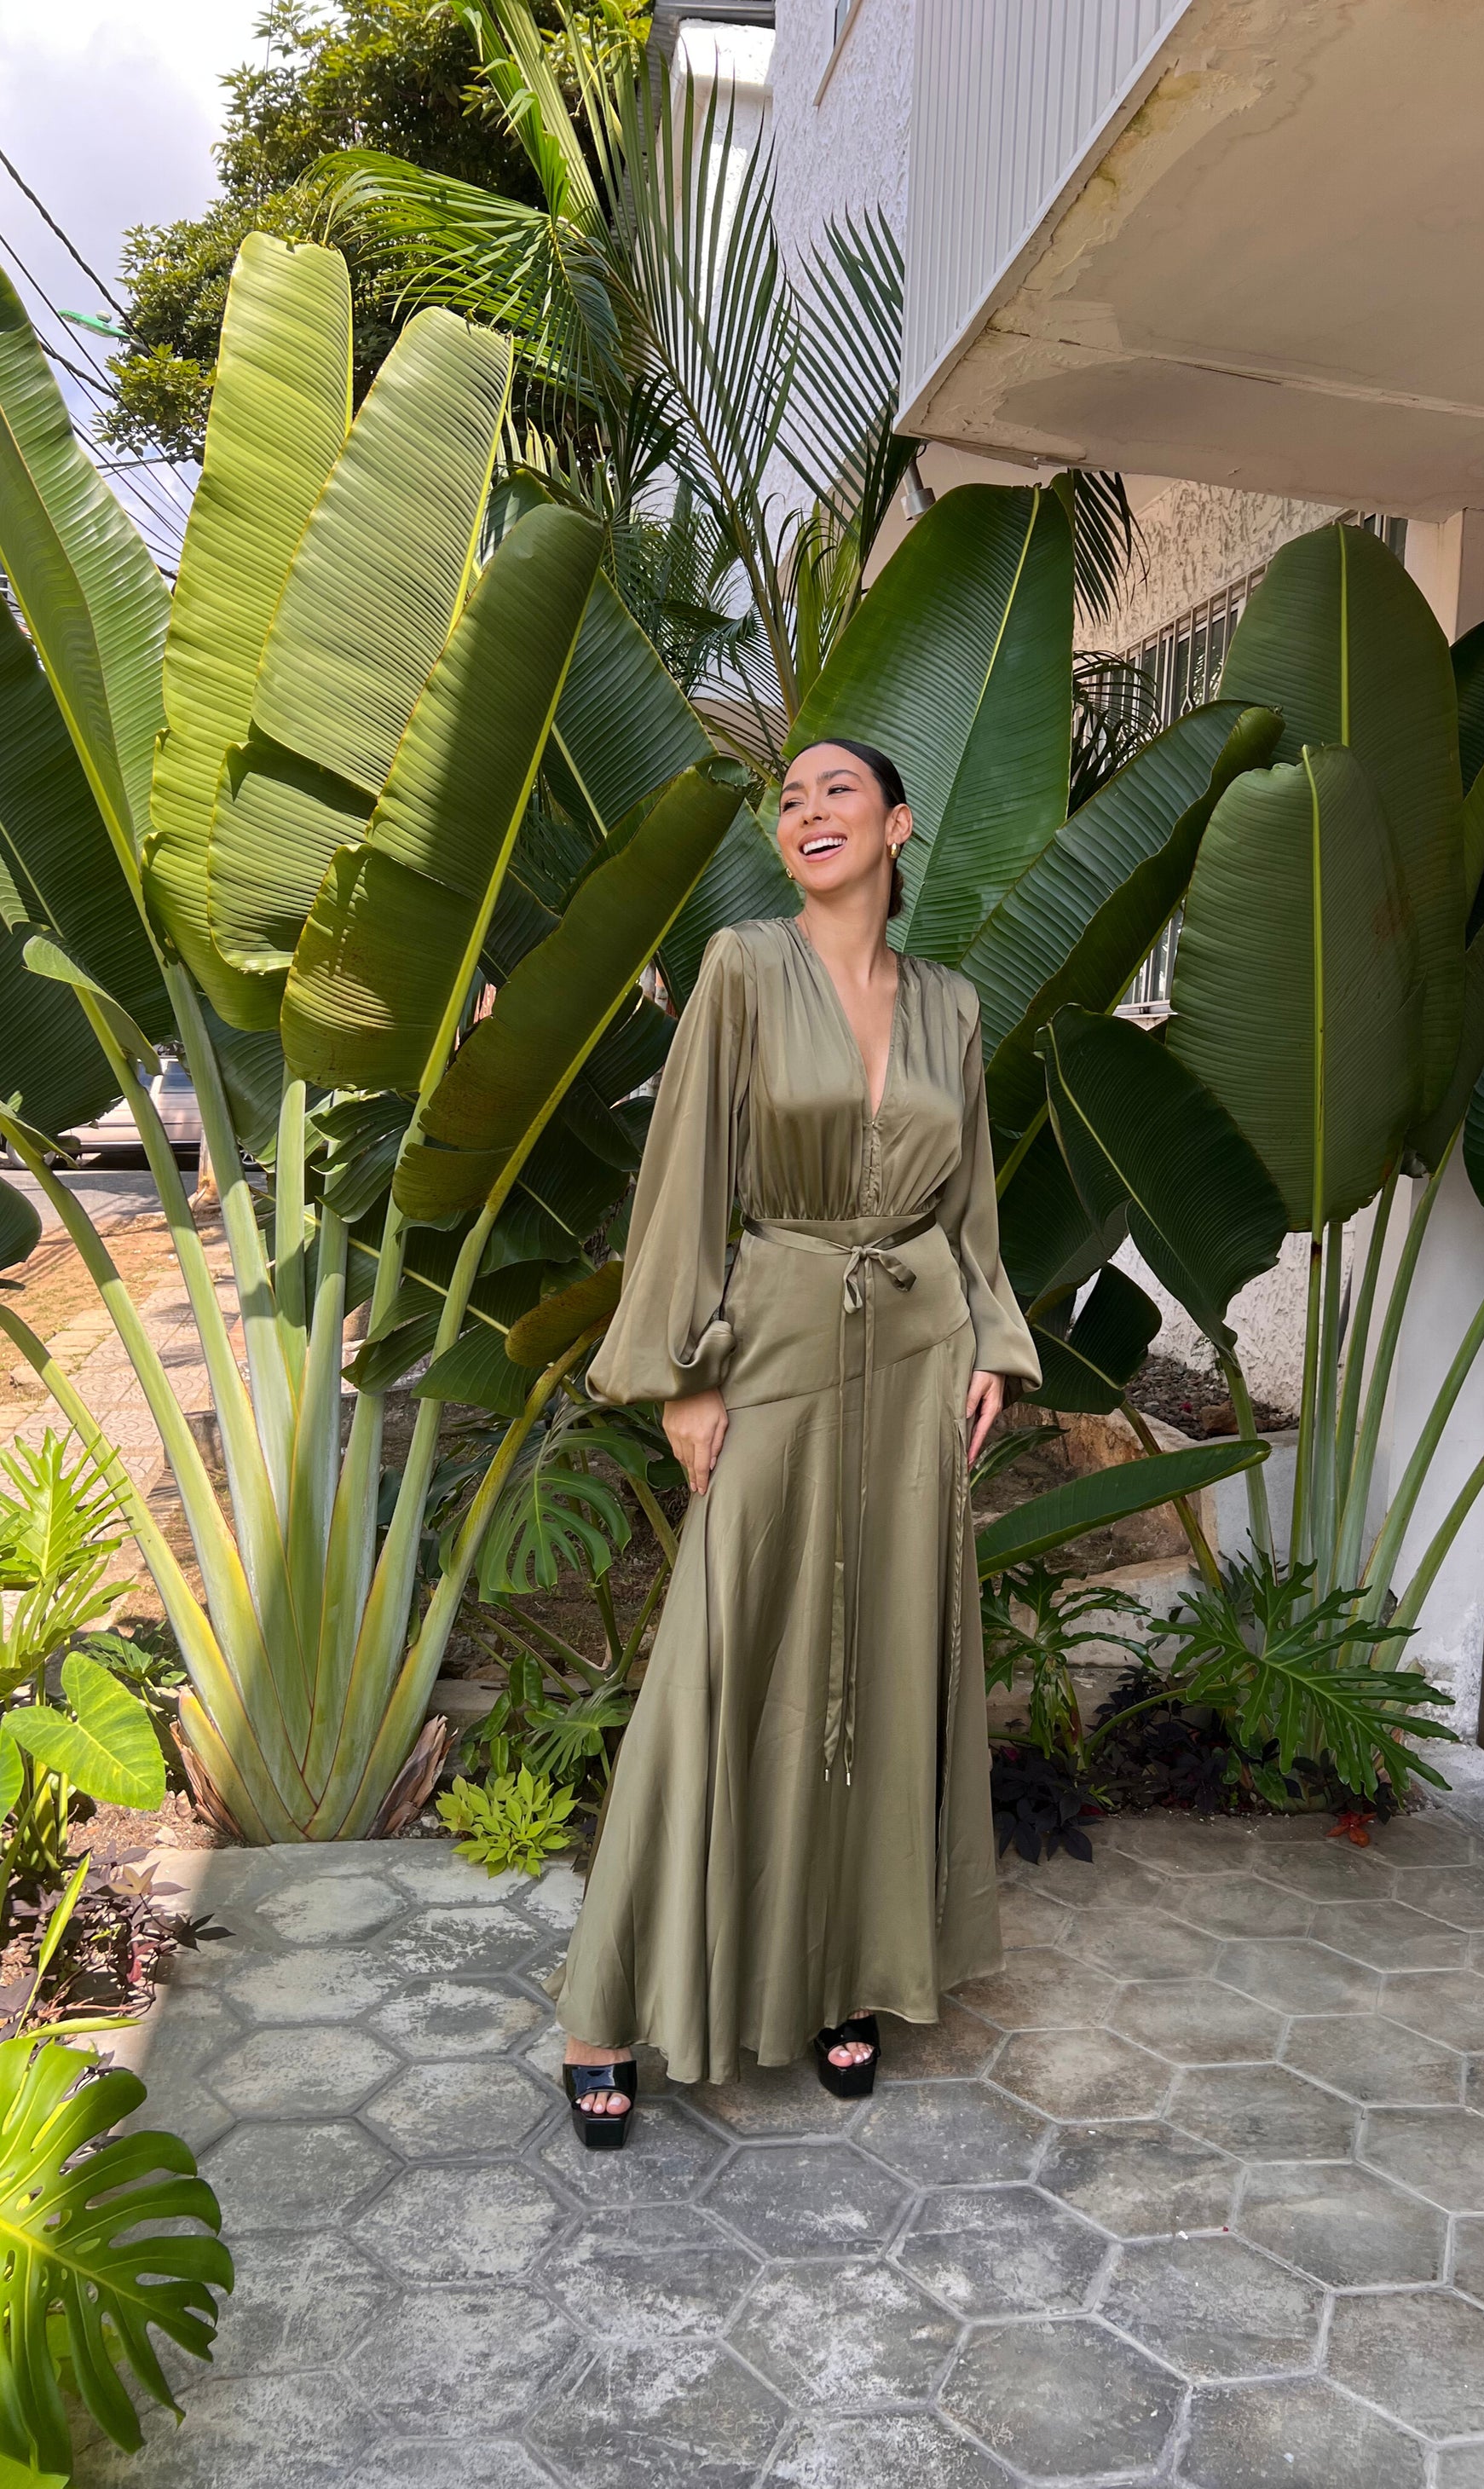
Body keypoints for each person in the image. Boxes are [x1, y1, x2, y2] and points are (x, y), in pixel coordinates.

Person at [556, 737, 1042, 2146]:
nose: (807, 811)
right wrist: (683, 1375)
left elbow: (970, 1203)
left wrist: (991, 1341)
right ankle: (607, 2003)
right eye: (789, 799)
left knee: (881, 1660)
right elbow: (686, 1173)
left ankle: (844, 1971)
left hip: (918, 1352)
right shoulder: (743, 967)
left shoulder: (949, 1004)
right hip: (771, 1336)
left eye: (838, 792)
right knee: (721, 1654)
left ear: (897, 826)